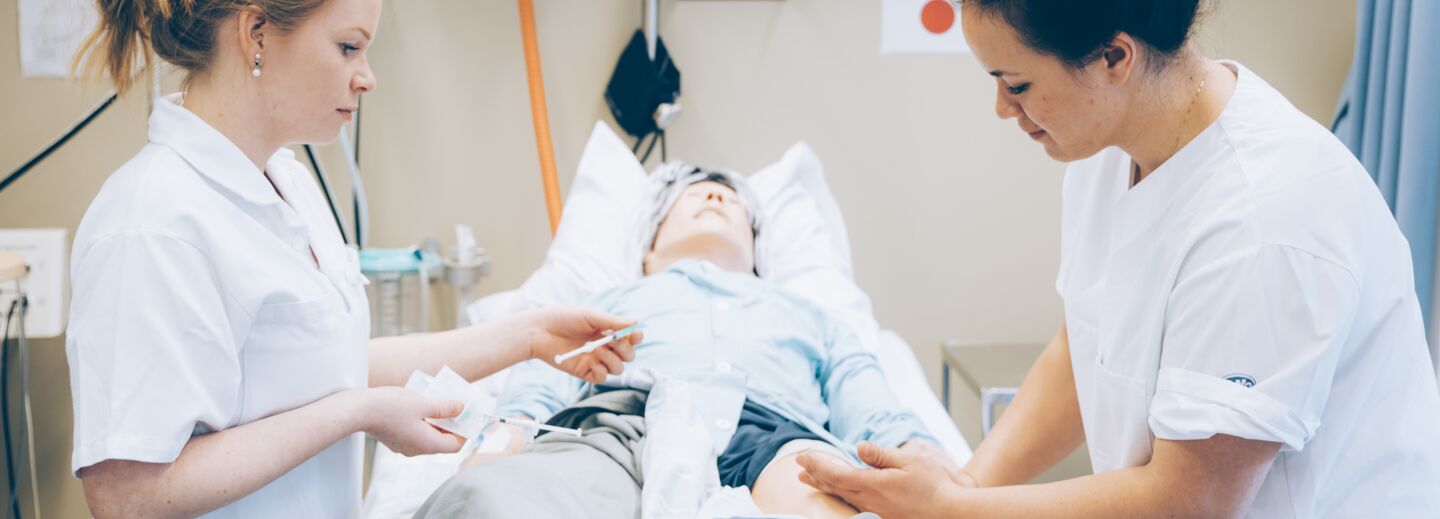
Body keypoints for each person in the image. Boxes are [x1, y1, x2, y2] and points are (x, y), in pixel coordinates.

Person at [798, 0, 1440, 517]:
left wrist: (955, 511)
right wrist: (965, 483)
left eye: (1017, 84)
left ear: (1114, 57)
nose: (1002, 108)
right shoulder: (1111, 145)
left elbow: (1193, 500)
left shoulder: (1265, 219)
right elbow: (1085, 345)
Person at [65, 0, 638, 517]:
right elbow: (126, 496)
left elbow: (330, 368)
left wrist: (531, 335)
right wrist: (360, 414)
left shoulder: (286, 182)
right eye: (348, 47)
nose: (367, 77)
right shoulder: (152, 225)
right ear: (256, 31)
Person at [415, 166, 942, 518]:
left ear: (756, 251)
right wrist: (502, 437)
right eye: (694, 197)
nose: (714, 195)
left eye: (730, 202)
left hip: (778, 436)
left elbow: (864, 392)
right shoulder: (608, 299)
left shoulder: (810, 314)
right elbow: (543, 367)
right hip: (621, 425)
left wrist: (919, 455)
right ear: (649, 249)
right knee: (486, 501)